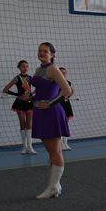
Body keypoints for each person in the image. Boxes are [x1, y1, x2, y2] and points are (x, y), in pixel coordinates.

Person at [31, 42, 74, 199]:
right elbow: (42, 89)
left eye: (45, 51)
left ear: (52, 54)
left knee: (55, 151)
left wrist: (49, 103)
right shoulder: (38, 69)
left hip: (51, 113)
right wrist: (32, 96)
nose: (42, 53)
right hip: (40, 112)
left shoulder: (53, 69)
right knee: (52, 151)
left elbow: (67, 90)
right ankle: (55, 185)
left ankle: (52, 187)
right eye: (40, 50)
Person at [2, 60, 36, 155]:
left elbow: (39, 88)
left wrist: (31, 94)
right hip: (20, 103)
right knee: (22, 123)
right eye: (23, 66)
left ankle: (30, 146)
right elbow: (5, 89)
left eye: (27, 66)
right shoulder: (17, 78)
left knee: (29, 124)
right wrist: (18, 95)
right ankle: (24, 147)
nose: (25, 68)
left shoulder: (30, 78)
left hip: (29, 102)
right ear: (19, 68)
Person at [59, 66, 74, 151]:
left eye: (64, 73)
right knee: (60, 124)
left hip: (66, 104)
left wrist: (68, 96)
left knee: (66, 124)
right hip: (59, 104)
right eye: (61, 73)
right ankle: (60, 144)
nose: (63, 74)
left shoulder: (68, 82)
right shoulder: (56, 83)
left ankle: (65, 143)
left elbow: (72, 91)